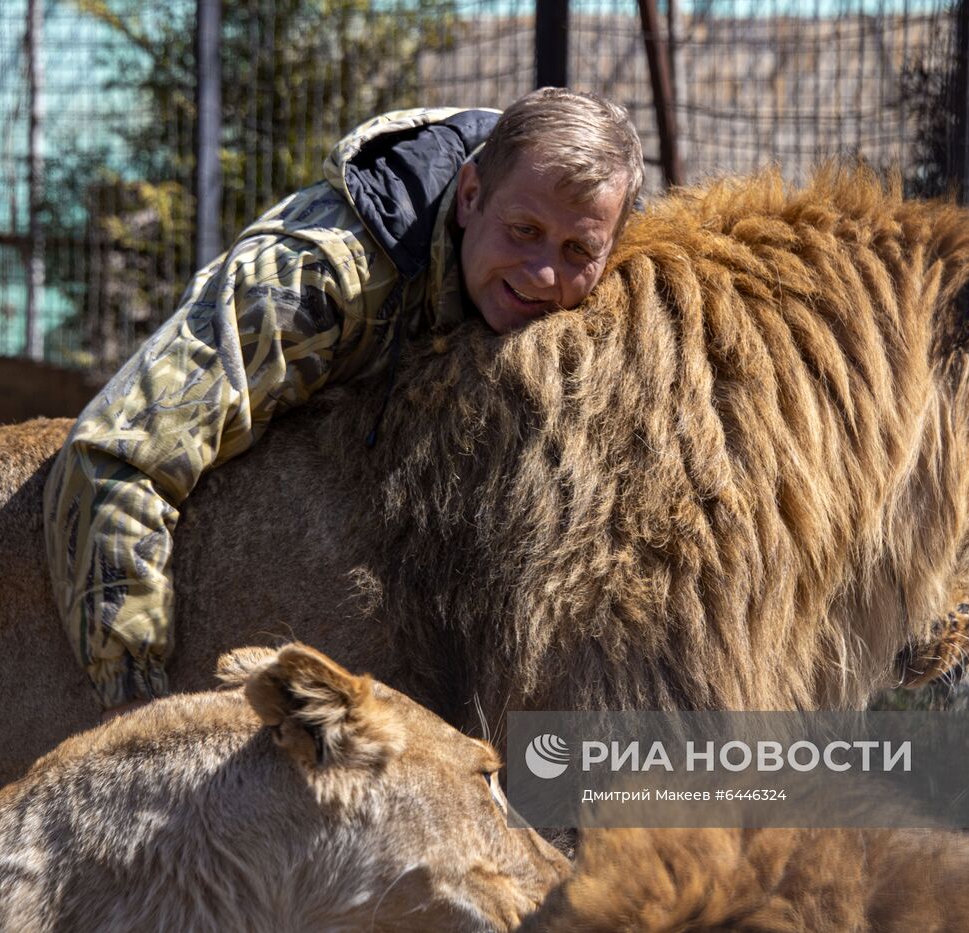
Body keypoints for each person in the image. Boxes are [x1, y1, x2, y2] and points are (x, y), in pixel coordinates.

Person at [42, 88, 645, 717]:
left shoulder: (608, 281)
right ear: (471, 196)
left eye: (578, 251)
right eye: (524, 232)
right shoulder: (314, 280)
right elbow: (115, 459)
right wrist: (133, 706)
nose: (545, 274)